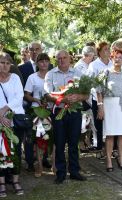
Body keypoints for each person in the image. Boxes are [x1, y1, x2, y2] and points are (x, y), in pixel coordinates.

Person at [44, 50, 88, 184]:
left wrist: (78, 97)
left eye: (64, 58)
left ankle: (74, 171)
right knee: (59, 142)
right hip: (58, 112)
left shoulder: (78, 73)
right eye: (59, 58)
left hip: (74, 113)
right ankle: (61, 173)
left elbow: (86, 94)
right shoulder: (50, 74)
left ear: (70, 59)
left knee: (74, 143)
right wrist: (62, 100)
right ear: (56, 60)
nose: (62, 60)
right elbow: (47, 94)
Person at [96, 50, 122, 172]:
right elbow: (99, 91)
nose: (117, 59)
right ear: (111, 58)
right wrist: (100, 107)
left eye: (120, 57)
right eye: (115, 57)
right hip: (110, 105)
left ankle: (121, 159)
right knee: (110, 134)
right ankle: (108, 160)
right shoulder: (105, 72)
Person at [19, 42, 52, 171]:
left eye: (37, 49)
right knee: (31, 136)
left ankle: (44, 159)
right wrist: (36, 101)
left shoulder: (52, 73)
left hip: (49, 109)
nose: (43, 63)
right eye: (31, 50)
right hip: (33, 109)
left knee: (46, 134)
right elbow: (25, 93)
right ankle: (30, 161)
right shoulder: (26, 71)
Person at [0, 52, 24, 196]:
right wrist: (0, 116)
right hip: (0, 120)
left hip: (15, 118)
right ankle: (2, 184)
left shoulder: (14, 78)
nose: (5, 66)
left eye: (8, 63)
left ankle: (15, 181)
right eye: (2, 62)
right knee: (1, 153)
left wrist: (5, 110)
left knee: (16, 151)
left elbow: (19, 97)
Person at [87, 41, 113, 159]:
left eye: (109, 49)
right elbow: (90, 82)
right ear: (99, 52)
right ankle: (99, 147)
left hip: (110, 99)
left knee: (110, 123)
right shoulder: (94, 65)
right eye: (105, 49)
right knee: (99, 122)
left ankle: (111, 149)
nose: (108, 51)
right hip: (97, 98)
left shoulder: (112, 63)